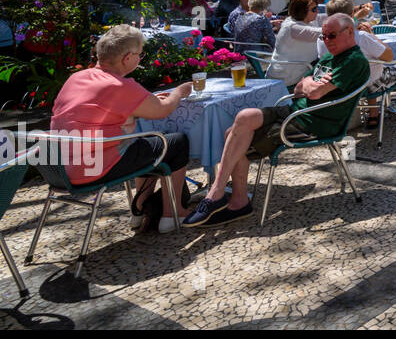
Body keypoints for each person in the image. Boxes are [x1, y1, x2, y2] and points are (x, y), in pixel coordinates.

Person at [184, 13, 373, 227]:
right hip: (294, 111)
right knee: (243, 119)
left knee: (235, 137)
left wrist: (310, 85)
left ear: (350, 32)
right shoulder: (330, 57)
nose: (327, 41)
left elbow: (315, 93)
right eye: (324, 37)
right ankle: (224, 195)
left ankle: (227, 199)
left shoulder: (353, 60)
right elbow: (302, 86)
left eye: (331, 35)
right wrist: (310, 84)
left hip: (313, 123)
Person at [50, 25, 193, 231]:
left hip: (59, 168)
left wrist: (138, 106)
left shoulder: (76, 78)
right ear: (127, 58)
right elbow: (163, 110)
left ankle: (140, 210)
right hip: (93, 167)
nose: (139, 59)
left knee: (145, 146)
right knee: (176, 142)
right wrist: (179, 92)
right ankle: (173, 214)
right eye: (139, 55)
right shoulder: (120, 86)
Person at [268, 0, 323, 85]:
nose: (317, 11)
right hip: (287, 77)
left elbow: (324, 17)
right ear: (303, 11)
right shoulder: (294, 27)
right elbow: (324, 32)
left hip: (288, 70)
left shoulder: (295, 20)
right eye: (314, 9)